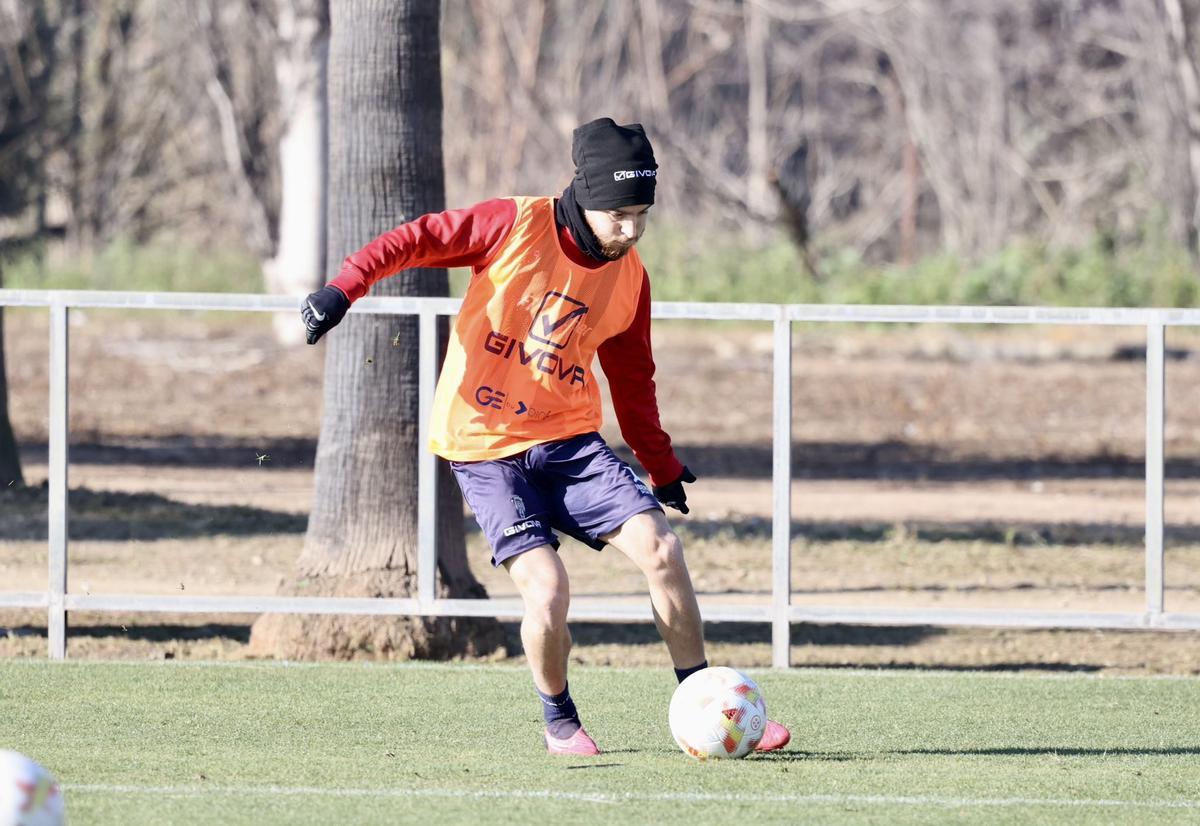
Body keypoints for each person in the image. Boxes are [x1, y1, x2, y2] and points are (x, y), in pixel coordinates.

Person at [301, 117, 790, 756]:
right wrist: (344, 289)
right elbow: (416, 239)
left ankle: (707, 703)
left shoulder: (631, 278)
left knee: (662, 549)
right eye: (619, 213)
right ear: (584, 196)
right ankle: (560, 719)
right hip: (483, 445)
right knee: (549, 587)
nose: (632, 229)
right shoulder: (514, 226)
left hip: (568, 441)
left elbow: (633, 380)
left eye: (642, 213)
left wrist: (659, 464)